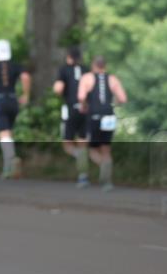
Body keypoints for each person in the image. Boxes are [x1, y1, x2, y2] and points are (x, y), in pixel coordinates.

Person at [0, 39, 31, 179]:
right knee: (8, 133)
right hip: (13, 100)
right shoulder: (15, 66)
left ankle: (10, 161)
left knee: (4, 134)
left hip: (0, 100)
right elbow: (26, 76)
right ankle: (8, 165)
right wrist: (26, 95)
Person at [77, 56, 127, 192]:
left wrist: (84, 106)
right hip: (109, 116)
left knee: (92, 148)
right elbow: (123, 98)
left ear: (94, 65)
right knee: (106, 148)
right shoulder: (113, 79)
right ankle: (107, 181)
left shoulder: (87, 78)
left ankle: (103, 169)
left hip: (94, 115)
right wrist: (113, 103)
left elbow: (81, 97)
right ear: (105, 65)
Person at [53, 46, 90, 187]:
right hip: (86, 110)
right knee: (82, 142)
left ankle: (79, 157)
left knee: (67, 143)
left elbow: (58, 89)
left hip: (70, 109)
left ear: (68, 57)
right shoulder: (86, 70)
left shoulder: (64, 70)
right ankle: (83, 176)